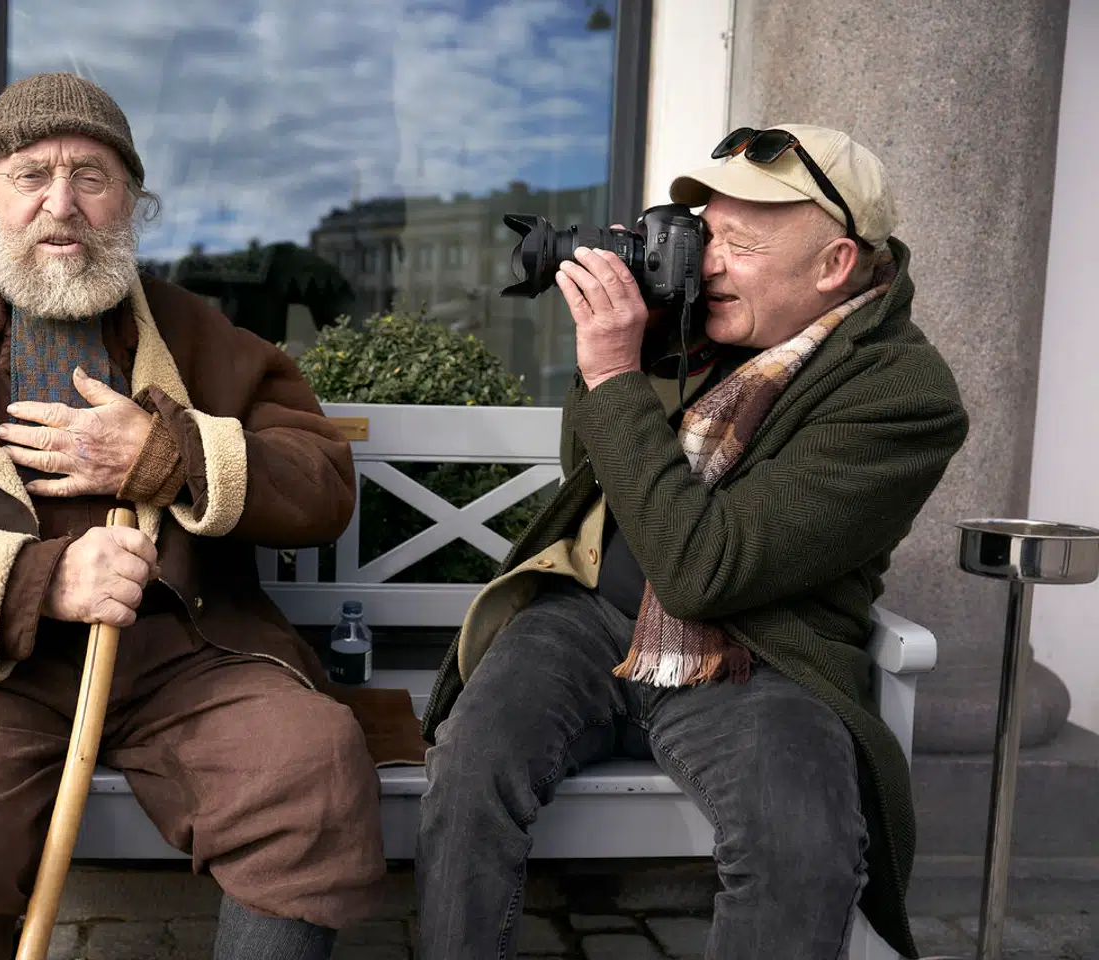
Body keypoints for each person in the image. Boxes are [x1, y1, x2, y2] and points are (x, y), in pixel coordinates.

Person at [0, 72, 416, 960]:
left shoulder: (196, 334)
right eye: (31, 175)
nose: (61, 204)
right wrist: (43, 581)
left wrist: (170, 456)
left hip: (179, 656)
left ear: (131, 205)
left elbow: (319, 481)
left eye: (91, 177)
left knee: (308, 771)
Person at [414, 124, 969, 959]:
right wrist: (631, 355)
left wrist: (614, 376)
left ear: (835, 266)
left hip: (757, 651)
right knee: (470, 767)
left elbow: (708, 573)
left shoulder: (904, 396)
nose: (705, 261)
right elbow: (592, 473)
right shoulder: (704, 323)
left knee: (802, 846)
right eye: (705, 235)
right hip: (590, 612)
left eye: (737, 246)